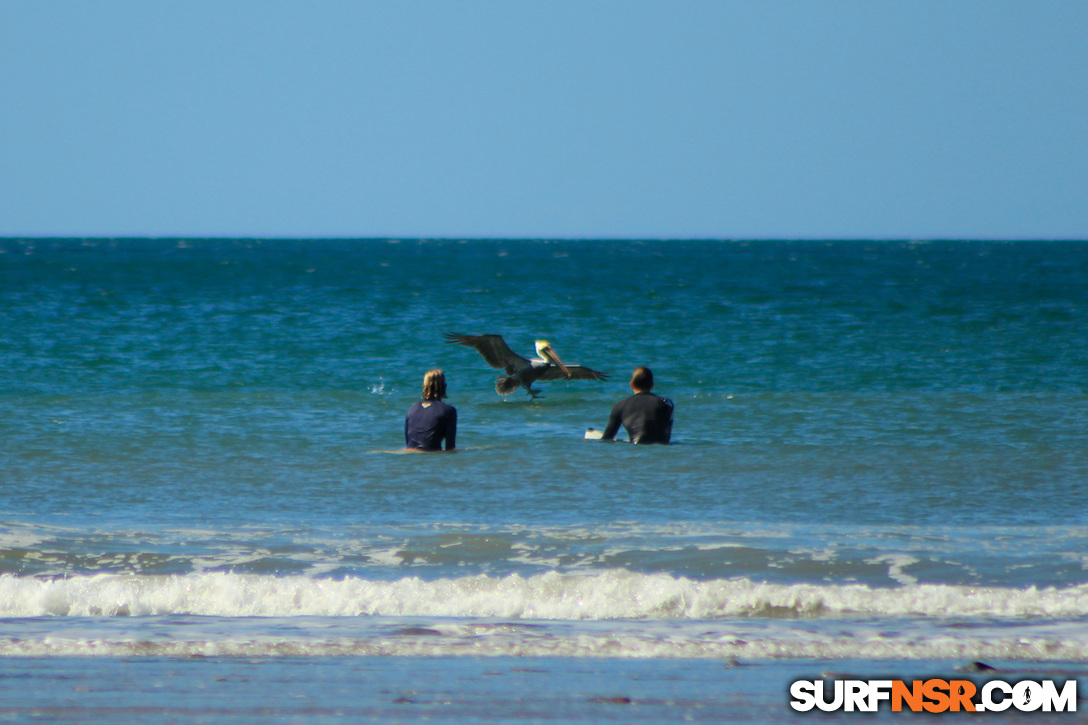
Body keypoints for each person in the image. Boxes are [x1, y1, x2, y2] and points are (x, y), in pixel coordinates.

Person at [600, 366, 674, 444]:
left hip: (636, 448)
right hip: (661, 450)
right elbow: (667, 436)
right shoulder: (666, 404)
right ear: (652, 385)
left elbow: (607, 438)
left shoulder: (620, 406)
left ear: (632, 385)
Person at [404, 369, 457, 451]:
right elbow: (450, 448)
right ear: (444, 386)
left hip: (409, 455)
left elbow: (408, 443)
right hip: (430, 455)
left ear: (423, 386)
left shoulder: (411, 409)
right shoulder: (449, 411)